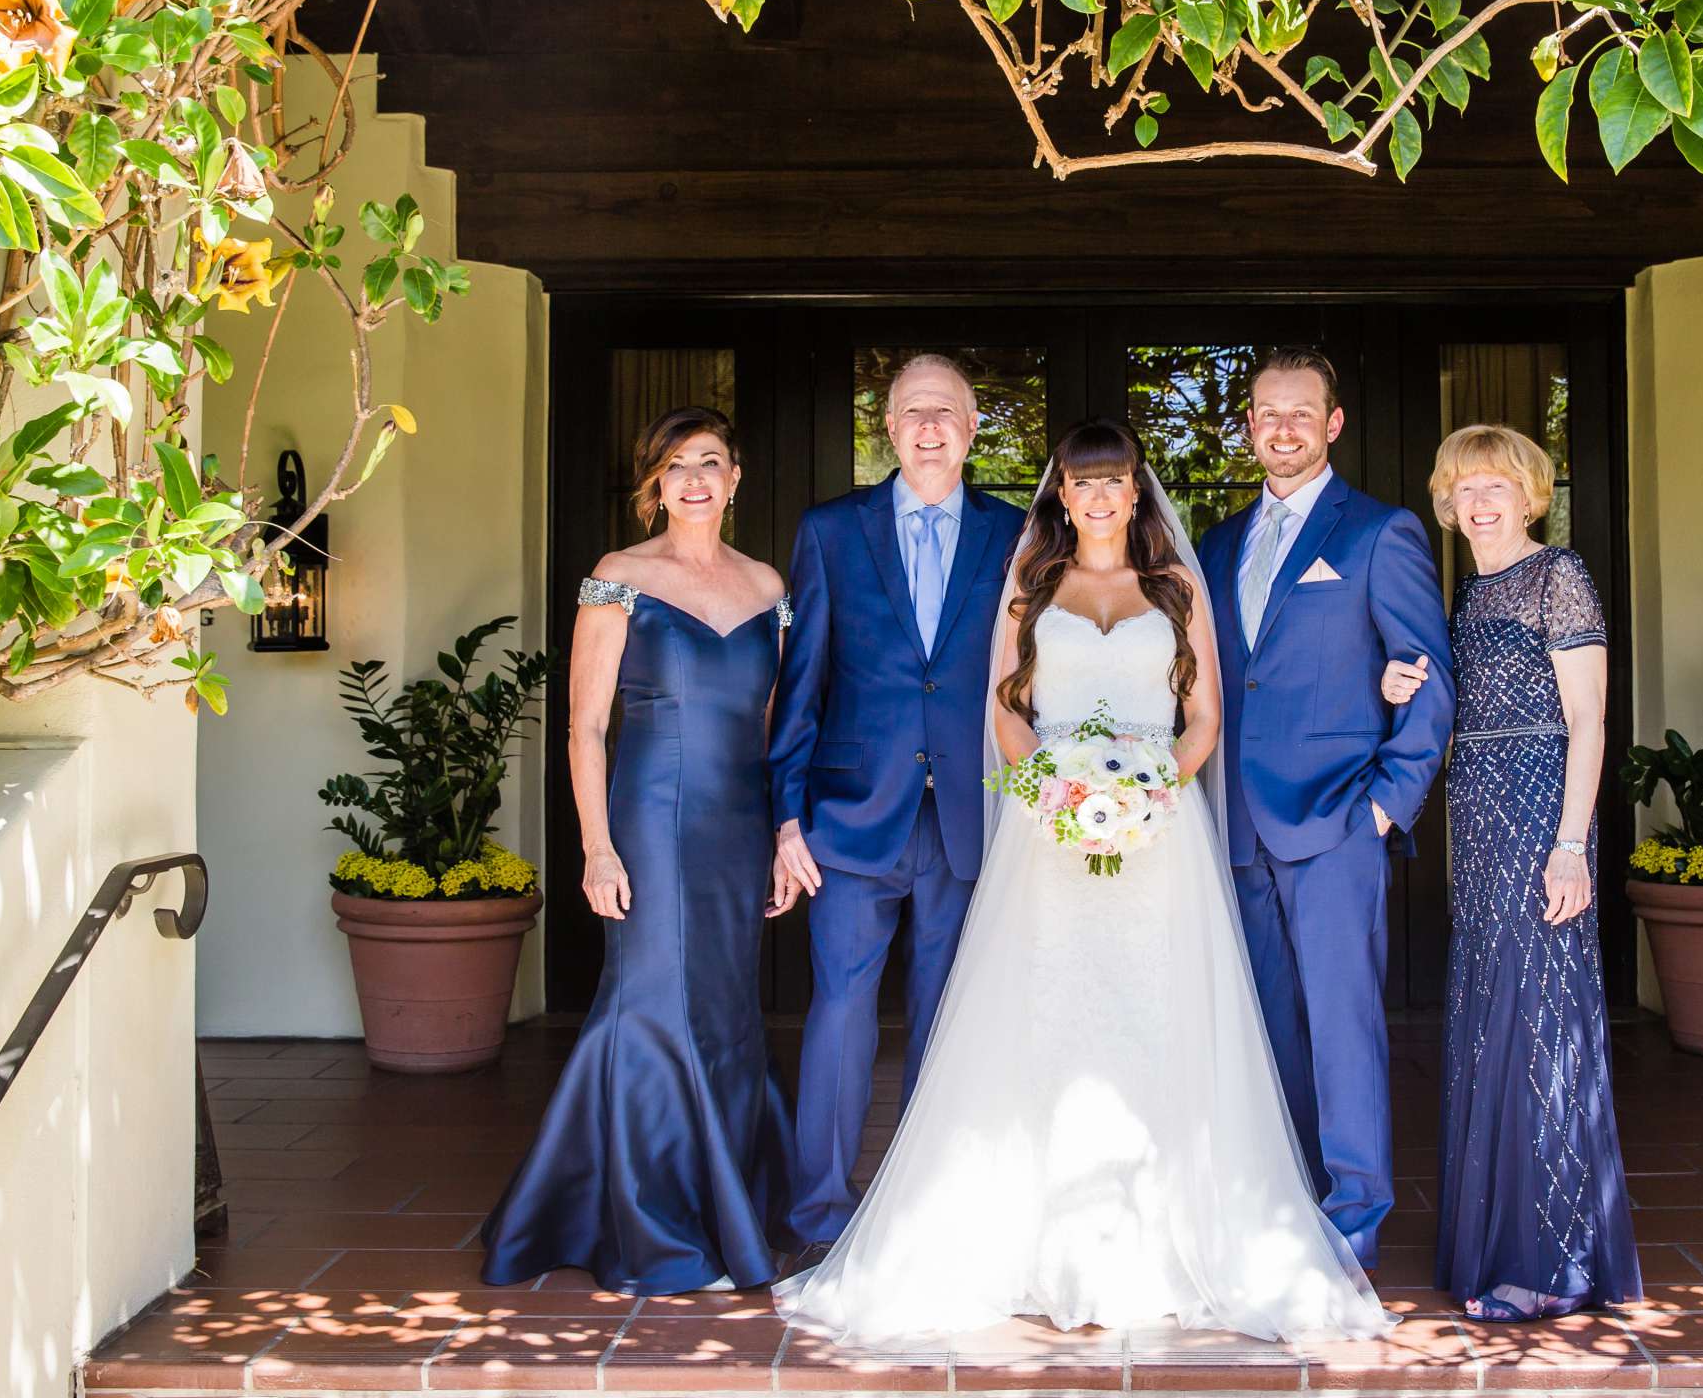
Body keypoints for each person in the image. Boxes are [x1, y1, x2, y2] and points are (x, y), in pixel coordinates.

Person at [774, 419, 1395, 1347]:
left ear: (1138, 493)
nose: (1099, 498)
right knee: (1046, 1018)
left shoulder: (1177, 586)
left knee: (1158, 1012)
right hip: (1048, 836)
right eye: (1082, 484)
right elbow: (1005, 710)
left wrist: (1150, 794)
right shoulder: (1031, 587)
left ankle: (1168, 1230)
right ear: (1059, 495)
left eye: (1116, 483)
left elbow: (1204, 720)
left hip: (1159, 838)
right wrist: (1051, 794)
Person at [481, 406, 798, 1293]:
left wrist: (780, 833)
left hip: (739, 826)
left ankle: (724, 1197)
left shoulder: (770, 587)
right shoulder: (618, 577)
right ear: (654, 483)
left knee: (728, 1009)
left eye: (711, 462)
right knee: (654, 1001)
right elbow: (584, 727)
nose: (694, 477)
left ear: (736, 480)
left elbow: (773, 730)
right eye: (675, 465)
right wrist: (597, 848)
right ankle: (648, 1220)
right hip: (652, 820)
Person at [1195, 347, 1453, 1273]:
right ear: (1250, 426)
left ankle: (1354, 1213)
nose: (1285, 428)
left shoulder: (1379, 534)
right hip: (1235, 828)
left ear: (1333, 424)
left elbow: (1427, 680)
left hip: (1339, 822)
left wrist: (1387, 807)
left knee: (1344, 1024)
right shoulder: (1216, 544)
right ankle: (1288, 1194)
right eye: (1268, 413)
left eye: (1303, 413)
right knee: (1269, 1024)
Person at [767, 354, 1026, 1251]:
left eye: (945, 413)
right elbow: (801, 681)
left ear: (973, 428)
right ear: (886, 427)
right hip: (847, 814)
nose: (928, 428)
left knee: (946, 1018)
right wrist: (784, 814)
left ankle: (925, 1211)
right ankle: (820, 1215)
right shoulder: (831, 532)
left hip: (971, 814)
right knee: (839, 1012)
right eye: (911, 412)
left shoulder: (1015, 532)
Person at [1414, 422, 1639, 1320]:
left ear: (1529, 493)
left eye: (1494, 486)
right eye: (1463, 488)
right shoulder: (1468, 595)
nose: (1478, 502)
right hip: (1477, 814)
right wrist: (1407, 686)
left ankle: (1549, 1264)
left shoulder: (1560, 575)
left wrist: (1572, 844)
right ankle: (1494, 1245)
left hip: (1541, 809)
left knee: (1540, 1021)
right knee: (1490, 1018)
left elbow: (1588, 719)